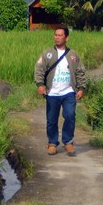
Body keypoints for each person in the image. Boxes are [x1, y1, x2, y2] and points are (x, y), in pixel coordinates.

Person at [34, 27, 86, 156]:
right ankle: (52, 143)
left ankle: (68, 142)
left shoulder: (73, 55)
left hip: (68, 91)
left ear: (66, 37)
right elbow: (39, 69)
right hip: (52, 93)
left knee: (70, 116)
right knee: (52, 119)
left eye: (60, 35)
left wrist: (81, 88)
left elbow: (80, 71)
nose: (57, 37)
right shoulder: (47, 54)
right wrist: (40, 85)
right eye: (55, 35)